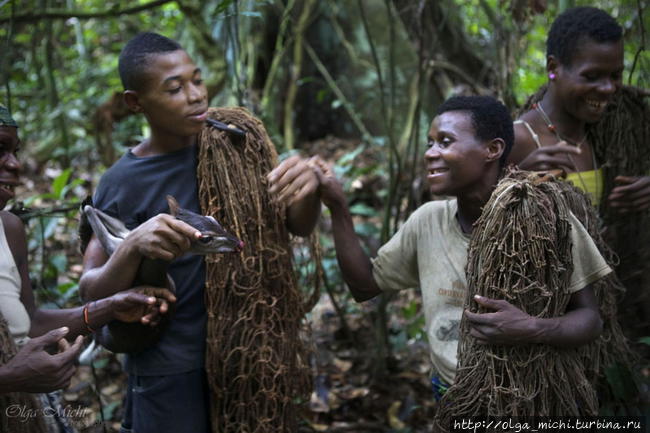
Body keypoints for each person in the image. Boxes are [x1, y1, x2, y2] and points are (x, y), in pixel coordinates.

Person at [78, 33, 321, 433]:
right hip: (168, 363)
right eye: (174, 88)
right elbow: (92, 290)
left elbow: (298, 224)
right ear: (135, 103)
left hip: (249, 354)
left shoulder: (238, 145)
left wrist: (307, 187)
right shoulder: (122, 182)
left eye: (197, 80)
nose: (195, 96)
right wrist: (135, 245)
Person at [313, 95, 610, 393]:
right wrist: (338, 206)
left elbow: (590, 320)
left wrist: (530, 328)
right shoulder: (427, 221)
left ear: (492, 150)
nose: (430, 153)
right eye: (429, 143)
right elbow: (364, 285)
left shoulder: (547, 220)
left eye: (445, 141)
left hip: (528, 400)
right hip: (451, 396)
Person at [0, 104, 174, 432]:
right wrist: (9, 378)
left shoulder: (9, 228)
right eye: (1, 149)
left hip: (24, 410)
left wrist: (107, 309)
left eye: (15, 151)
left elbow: (29, 323)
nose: (15, 165)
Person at [508, 6, 650, 337]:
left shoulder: (605, 133)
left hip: (606, 311)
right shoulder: (519, 137)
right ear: (554, 68)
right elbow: (477, 222)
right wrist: (519, 180)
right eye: (591, 76)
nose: (608, 89)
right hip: (548, 315)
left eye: (615, 75)